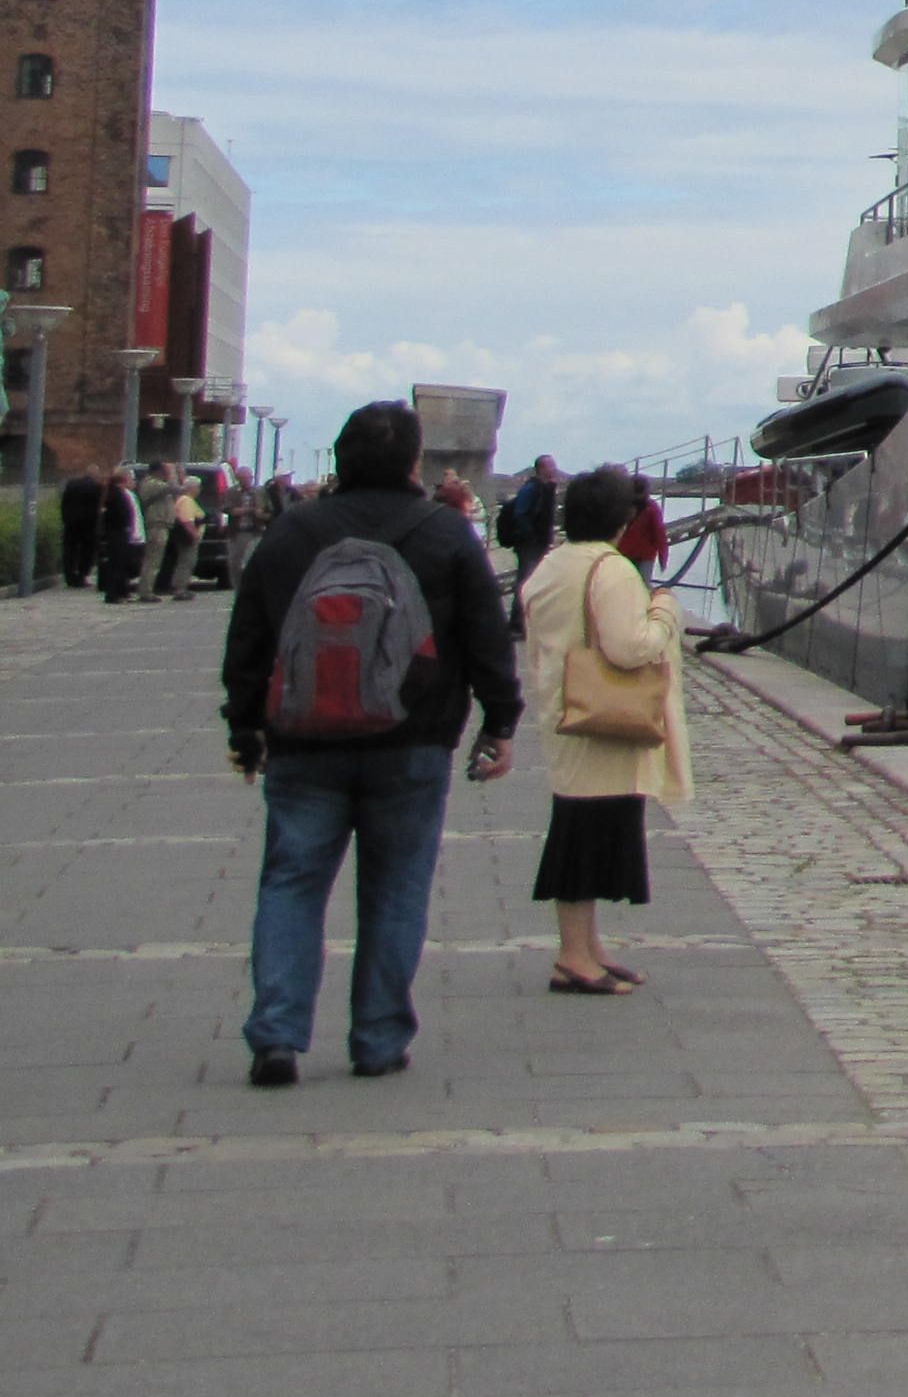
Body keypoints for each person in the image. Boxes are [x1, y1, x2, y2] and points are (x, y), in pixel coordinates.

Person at [218, 400, 520, 1087]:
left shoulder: (293, 532)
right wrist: (499, 722)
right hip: (413, 740)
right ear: (414, 462)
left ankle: (277, 1035)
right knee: (396, 889)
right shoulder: (445, 533)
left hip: (303, 741)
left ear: (340, 457)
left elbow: (250, 634)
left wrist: (244, 724)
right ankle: (379, 1039)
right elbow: (486, 636)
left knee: (292, 882)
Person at [520, 464, 688, 996]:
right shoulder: (611, 570)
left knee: (581, 826)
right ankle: (573, 956)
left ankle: (587, 946)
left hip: (565, 709)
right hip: (602, 719)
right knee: (584, 836)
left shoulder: (552, 564)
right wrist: (664, 613)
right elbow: (628, 646)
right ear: (622, 519)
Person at [144, 466, 205, 602]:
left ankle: (180, 588)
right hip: (186, 537)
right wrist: (195, 534)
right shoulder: (186, 500)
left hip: (183, 536)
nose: (199, 490)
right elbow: (187, 520)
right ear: (192, 488)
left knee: (186, 561)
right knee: (186, 561)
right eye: (198, 487)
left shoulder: (184, 499)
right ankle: (180, 589)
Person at [496, 455, 561, 582]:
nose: (554, 468)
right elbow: (521, 514)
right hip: (529, 543)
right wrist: (530, 536)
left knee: (536, 577)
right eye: (551, 465)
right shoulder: (531, 488)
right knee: (526, 578)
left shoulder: (548, 488)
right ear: (541, 469)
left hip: (541, 541)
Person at [94, 465, 141, 603]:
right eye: (130, 478)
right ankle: (113, 594)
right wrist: (127, 526)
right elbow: (121, 514)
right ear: (124, 479)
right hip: (117, 533)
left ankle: (122, 591)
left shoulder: (117, 492)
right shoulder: (117, 494)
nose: (133, 481)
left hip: (119, 533)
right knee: (116, 564)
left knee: (122, 564)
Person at [57, 466, 99, 589]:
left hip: (71, 523)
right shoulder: (95, 487)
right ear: (95, 474)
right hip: (88, 525)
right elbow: (96, 506)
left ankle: (69, 577)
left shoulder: (71, 484)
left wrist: (66, 519)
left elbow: (64, 503)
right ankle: (81, 576)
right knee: (86, 551)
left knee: (69, 550)